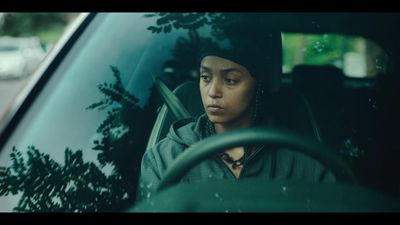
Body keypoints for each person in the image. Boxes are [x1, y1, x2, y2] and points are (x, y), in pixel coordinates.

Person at [137, 28, 335, 201]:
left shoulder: (301, 162)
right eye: (205, 77)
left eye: (230, 80)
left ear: (258, 85)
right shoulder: (166, 158)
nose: (213, 91)